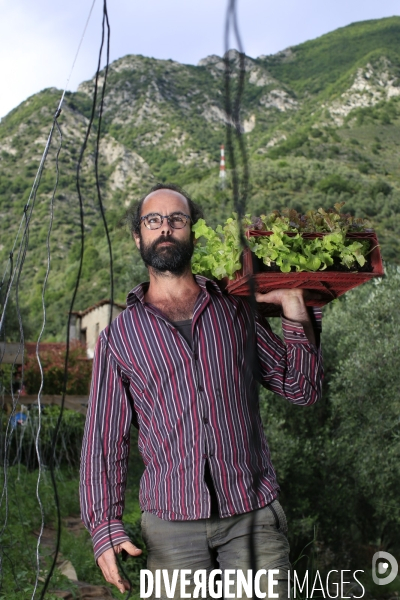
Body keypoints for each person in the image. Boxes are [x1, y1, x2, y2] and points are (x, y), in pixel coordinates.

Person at [79, 183, 323, 599]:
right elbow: (104, 439)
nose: (166, 229)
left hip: (252, 517)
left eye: (178, 219)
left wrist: (294, 310)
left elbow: (301, 388)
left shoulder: (235, 311)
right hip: (169, 527)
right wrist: (104, 526)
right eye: (153, 221)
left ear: (193, 231)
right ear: (138, 236)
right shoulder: (119, 337)